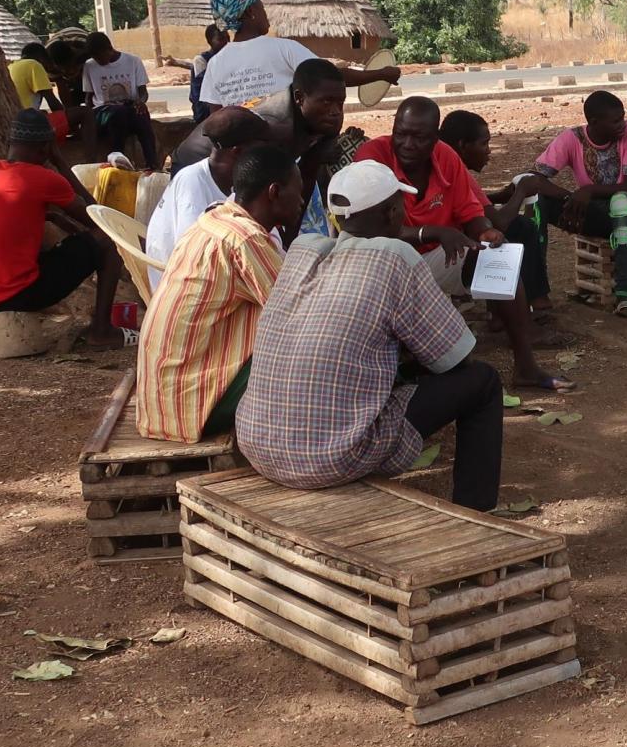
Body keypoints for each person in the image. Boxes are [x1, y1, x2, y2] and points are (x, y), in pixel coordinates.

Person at [235, 161, 504, 510]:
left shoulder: (302, 250)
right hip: (328, 459)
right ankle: (478, 510)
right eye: (401, 206)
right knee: (481, 382)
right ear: (392, 212)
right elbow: (456, 357)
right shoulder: (396, 257)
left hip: (258, 446)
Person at [355, 97, 573, 392]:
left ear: (435, 139)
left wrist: (485, 232)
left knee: (499, 260)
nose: (406, 144)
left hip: (434, 258)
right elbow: (370, 229)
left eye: (418, 138)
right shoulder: (373, 158)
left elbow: (471, 214)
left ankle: (526, 366)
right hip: (384, 263)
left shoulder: (445, 157)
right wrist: (433, 232)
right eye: (400, 133)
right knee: (451, 362)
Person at [136, 143, 304, 443]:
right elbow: (299, 317)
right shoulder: (245, 239)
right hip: (192, 406)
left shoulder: (215, 218)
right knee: (307, 348)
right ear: (274, 191)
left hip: (164, 400)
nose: (302, 201)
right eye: (298, 191)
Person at [0, 108, 124, 345]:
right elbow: (100, 219)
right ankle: (101, 330)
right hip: (17, 294)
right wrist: (60, 162)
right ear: (46, 147)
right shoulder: (42, 178)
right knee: (107, 243)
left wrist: (59, 221)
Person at [173, 59, 352, 239]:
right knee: (217, 231)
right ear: (299, 98)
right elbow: (267, 198)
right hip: (199, 159)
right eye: (327, 102)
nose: (336, 111)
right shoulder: (278, 127)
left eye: (340, 102)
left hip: (232, 159)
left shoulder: (321, 119)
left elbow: (308, 171)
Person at [512, 91, 627, 318]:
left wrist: (588, 190)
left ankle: (624, 296)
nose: (622, 124)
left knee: (621, 201)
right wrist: (569, 198)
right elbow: (534, 177)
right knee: (538, 200)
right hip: (593, 214)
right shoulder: (571, 138)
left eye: (623, 117)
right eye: (615, 120)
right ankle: (537, 293)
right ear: (594, 122)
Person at [200, 0, 399, 108]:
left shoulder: (216, 64)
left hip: (241, 164)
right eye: (262, 7)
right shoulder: (283, 49)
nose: (265, 13)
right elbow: (329, 76)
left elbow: (215, 117)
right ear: (251, 12)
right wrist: (381, 74)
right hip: (287, 158)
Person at [438, 109, 554, 321]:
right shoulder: (456, 167)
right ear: (463, 145)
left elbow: (472, 204)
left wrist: (500, 196)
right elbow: (498, 223)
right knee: (520, 227)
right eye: (484, 144)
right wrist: (521, 191)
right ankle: (533, 303)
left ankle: (500, 310)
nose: (488, 151)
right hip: (452, 249)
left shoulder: (441, 161)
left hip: (446, 239)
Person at [145, 106, 272, 282]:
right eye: (262, 148)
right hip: (185, 281)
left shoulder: (235, 182)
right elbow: (196, 254)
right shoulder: (192, 182)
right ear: (237, 152)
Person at [81, 31, 157, 170]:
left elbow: (142, 91)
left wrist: (141, 102)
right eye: (94, 57)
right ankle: (118, 159)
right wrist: (90, 118)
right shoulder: (89, 66)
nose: (97, 60)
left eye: (99, 56)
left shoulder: (133, 61)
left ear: (109, 49)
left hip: (130, 108)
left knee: (141, 116)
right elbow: (89, 98)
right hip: (104, 112)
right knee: (118, 113)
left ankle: (152, 164)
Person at [162, 24, 229, 123]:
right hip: (205, 108)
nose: (226, 42)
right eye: (221, 39)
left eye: (227, 38)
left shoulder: (226, 57)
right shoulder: (201, 59)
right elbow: (210, 86)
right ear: (210, 41)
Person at [7, 42, 62, 112]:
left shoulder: (11, 66)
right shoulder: (35, 65)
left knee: (44, 112)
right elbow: (52, 102)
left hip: (15, 115)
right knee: (80, 112)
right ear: (42, 58)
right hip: (26, 118)